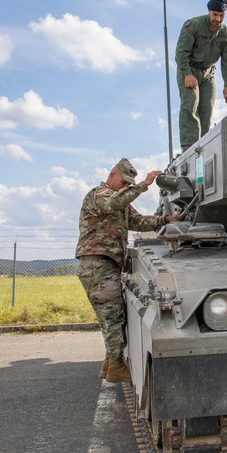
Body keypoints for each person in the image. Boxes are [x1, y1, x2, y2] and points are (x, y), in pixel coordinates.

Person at [75, 158, 180, 383]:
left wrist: (166, 219)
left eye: (127, 184)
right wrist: (143, 185)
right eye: (124, 182)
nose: (125, 186)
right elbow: (114, 203)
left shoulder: (119, 200)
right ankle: (115, 366)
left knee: (113, 315)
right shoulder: (99, 195)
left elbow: (139, 221)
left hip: (107, 264)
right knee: (113, 317)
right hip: (97, 264)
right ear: (113, 174)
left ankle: (110, 362)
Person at [176, 0, 227, 151]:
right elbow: (181, 53)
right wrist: (188, 74)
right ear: (209, 11)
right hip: (189, 68)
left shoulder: (226, 34)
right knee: (190, 103)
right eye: (215, 14)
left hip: (208, 72)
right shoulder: (193, 25)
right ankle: (189, 146)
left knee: (207, 108)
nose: (217, 19)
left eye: (221, 15)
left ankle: (202, 145)